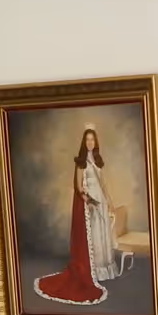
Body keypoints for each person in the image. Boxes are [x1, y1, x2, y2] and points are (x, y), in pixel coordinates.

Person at [33, 126, 126, 305]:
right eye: (87, 139)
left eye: (93, 139)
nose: (90, 142)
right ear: (84, 142)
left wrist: (110, 202)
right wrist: (89, 202)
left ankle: (105, 269)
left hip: (101, 200)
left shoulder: (98, 160)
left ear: (96, 142)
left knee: (102, 233)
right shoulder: (81, 161)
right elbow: (79, 186)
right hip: (90, 202)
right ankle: (94, 270)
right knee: (93, 236)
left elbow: (104, 184)